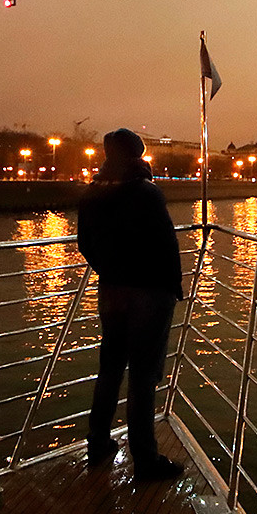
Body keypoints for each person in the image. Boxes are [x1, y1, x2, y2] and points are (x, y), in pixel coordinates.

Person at [76, 128, 186, 482]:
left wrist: (109, 270)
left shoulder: (93, 193)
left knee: (110, 368)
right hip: (150, 292)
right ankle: (145, 459)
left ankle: (98, 444)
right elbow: (166, 245)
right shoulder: (147, 193)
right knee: (142, 375)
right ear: (137, 156)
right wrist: (173, 286)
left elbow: (84, 244)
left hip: (112, 290)